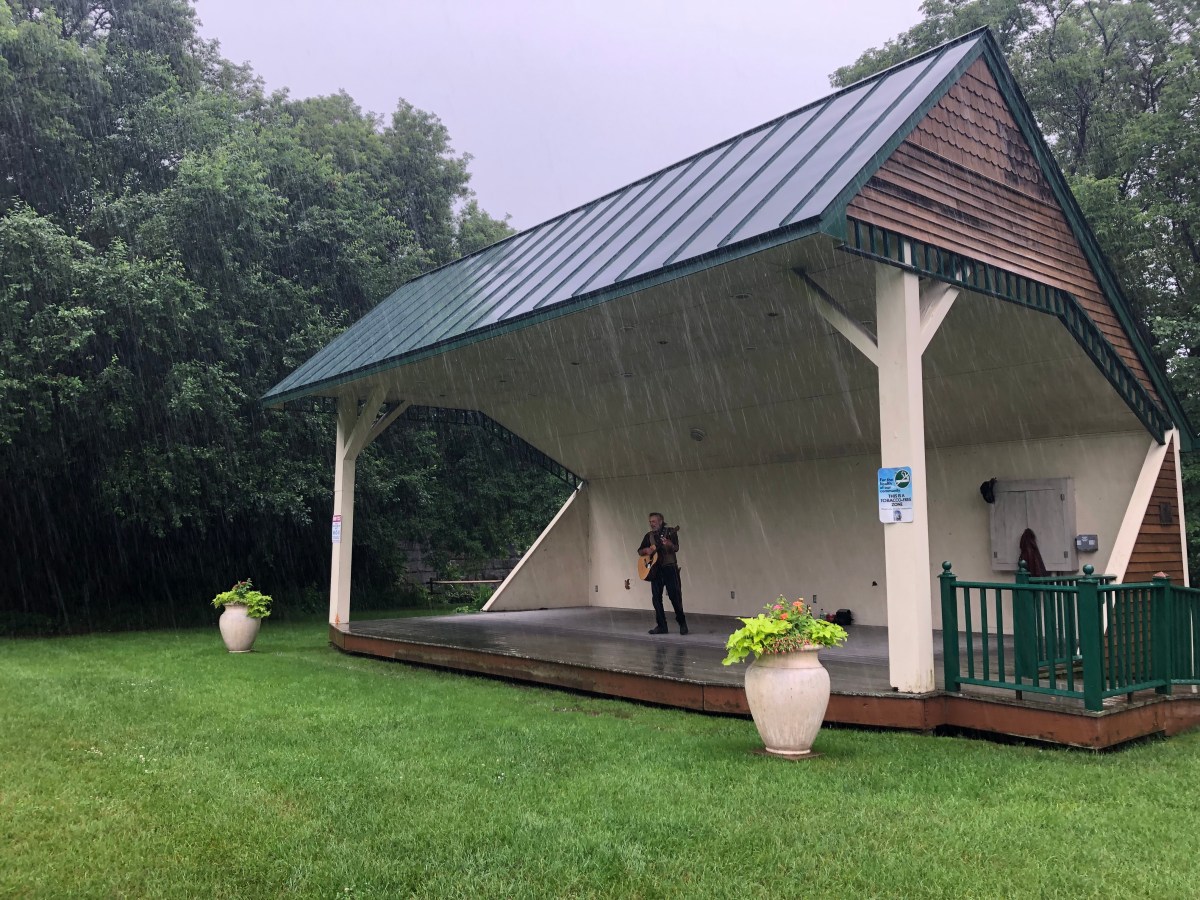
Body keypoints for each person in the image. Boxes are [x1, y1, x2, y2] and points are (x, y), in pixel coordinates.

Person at [638, 512, 688, 635]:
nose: (651, 524)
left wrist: (669, 544)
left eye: (654, 521)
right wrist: (647, 550)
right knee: (656, 599)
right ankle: (662, 626)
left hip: (670, 568)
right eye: (650, 522)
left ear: (661, 521)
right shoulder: (648, 536)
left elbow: (676, 548)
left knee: (675, 597)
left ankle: (682, 624)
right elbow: (640, 551)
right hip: (655, 570)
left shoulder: (671, 532)